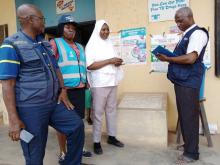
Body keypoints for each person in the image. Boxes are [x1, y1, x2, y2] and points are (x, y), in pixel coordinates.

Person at [0, 4, 84, 165]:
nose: (45, 22)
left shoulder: (44, 43)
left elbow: (56, 68)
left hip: (54, 102)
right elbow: (7, 84)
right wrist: (13, 119)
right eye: (41, 18)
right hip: (30, 108)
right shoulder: (11, 44)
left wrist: (63, 90)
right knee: (35, 154)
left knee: (76, 126)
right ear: (29, 20)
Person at [156, 7, 209, 164]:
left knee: (189, 116)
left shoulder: (198, 34)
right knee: (185, 114)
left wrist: (169, 59)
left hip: (189, 81)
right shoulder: (186, 35)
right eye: (176, 21)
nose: (178, 23)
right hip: (182, 80)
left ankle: (192, 153)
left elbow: (191, 58)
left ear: (190, 17)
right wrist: (169, 57)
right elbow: (183, 56)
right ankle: (188, 145)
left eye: (180, 20)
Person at [50, 14, 92, 159]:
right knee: (63, 123)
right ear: (62, 28)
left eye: (73, 28)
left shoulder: (80, 46)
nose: (71, 31)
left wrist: (86, 83)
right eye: (67, 27)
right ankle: (63, 152)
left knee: (79, 122)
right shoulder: (55, 43)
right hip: (64, 92)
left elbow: (82, 67)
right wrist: (59, 89)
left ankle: (78, 149)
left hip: (80, 90)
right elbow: (51, 67)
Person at [85, 20, 124, 155]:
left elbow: (112, 61)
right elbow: (89, 66)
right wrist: (110, 61)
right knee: (97, 113)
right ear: (97, 30)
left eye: (107, 29)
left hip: (112, 81)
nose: (106, 32)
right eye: (103, 29)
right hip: (100, 83)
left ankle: (112, 137)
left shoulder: (110, 44)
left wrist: (116, 63)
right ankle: (96, 142)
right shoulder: (91, 45)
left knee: (112, 111)